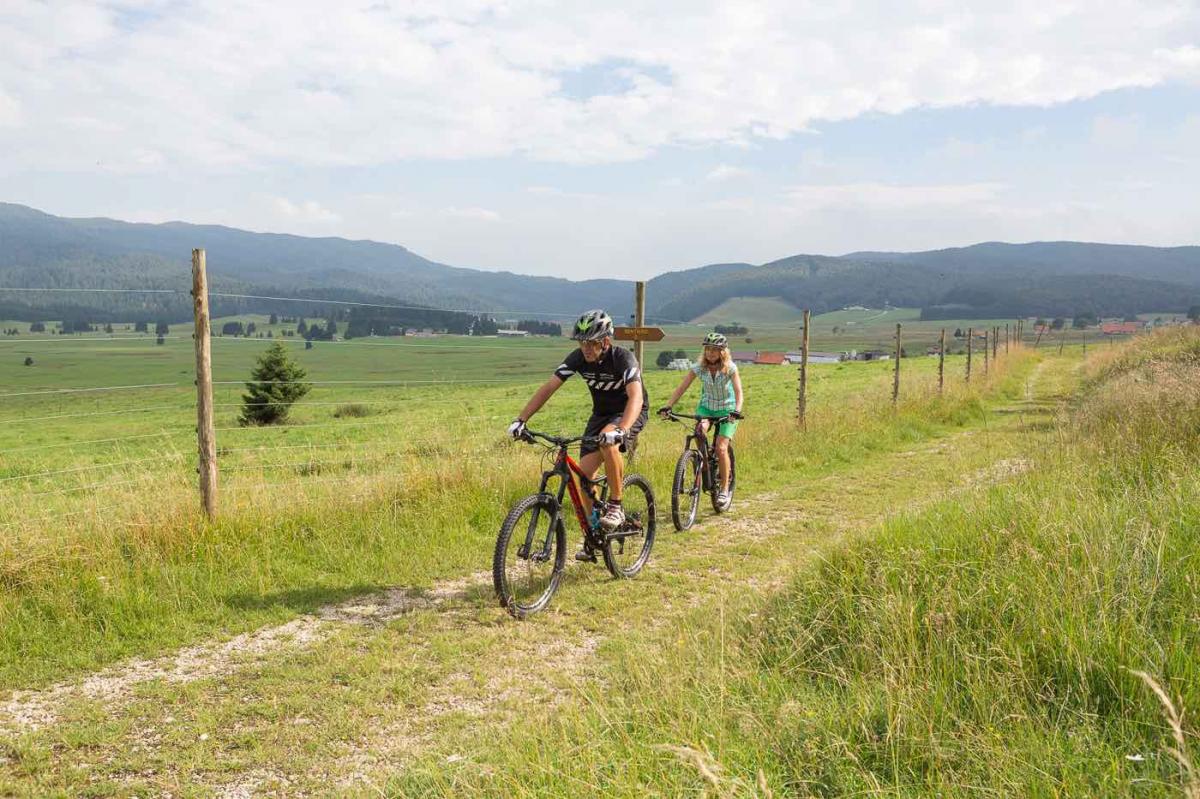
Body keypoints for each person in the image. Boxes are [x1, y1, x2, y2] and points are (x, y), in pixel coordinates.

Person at [508, 309, 649, 561]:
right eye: (582, 342)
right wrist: (521, 419)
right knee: (583, 477)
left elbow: (636, 397)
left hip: (628, 412)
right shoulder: (578, 358)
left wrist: (622, 430)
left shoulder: (623, 359)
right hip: (600, 414)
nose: (585, 348)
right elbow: (549, 387)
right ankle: (594, 535)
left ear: (606, 341)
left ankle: (616, 505)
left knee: (609, 442)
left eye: (591, 343)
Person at [657, 332, 743, 508]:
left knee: (721, 447)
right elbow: (682, 387)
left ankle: (724, 489)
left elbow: (739, 392)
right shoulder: (699, 368)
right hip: (706, 408)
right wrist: (668, 406)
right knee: (698, 431)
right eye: (708, 349)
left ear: (723, 352)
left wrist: (736, 411)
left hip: (727, 410)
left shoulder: (731, 368)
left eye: (715, 350)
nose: (710, 353)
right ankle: (704, 464)